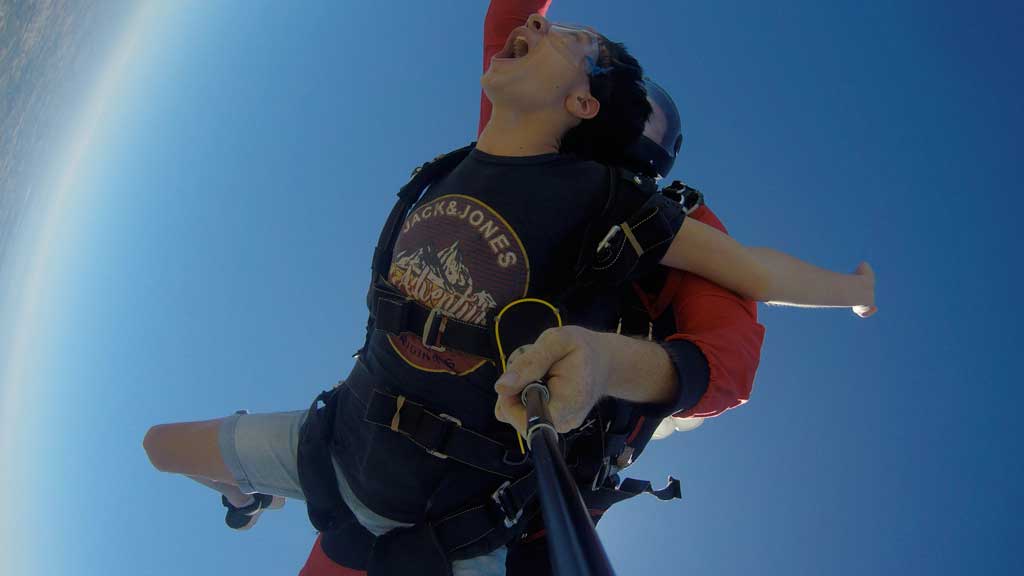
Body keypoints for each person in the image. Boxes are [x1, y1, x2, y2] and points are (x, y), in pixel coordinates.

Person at [144, 11, 876, 576]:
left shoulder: (623, 207)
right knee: (159, 447)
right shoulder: (500, 146)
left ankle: (250, 490)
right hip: (343, 438)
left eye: (583, 47)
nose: (541, 34)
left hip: (459, 514)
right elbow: (515, 22)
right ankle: (247, 493)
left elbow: (733, 340)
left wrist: (850, 290)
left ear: (593, 108)